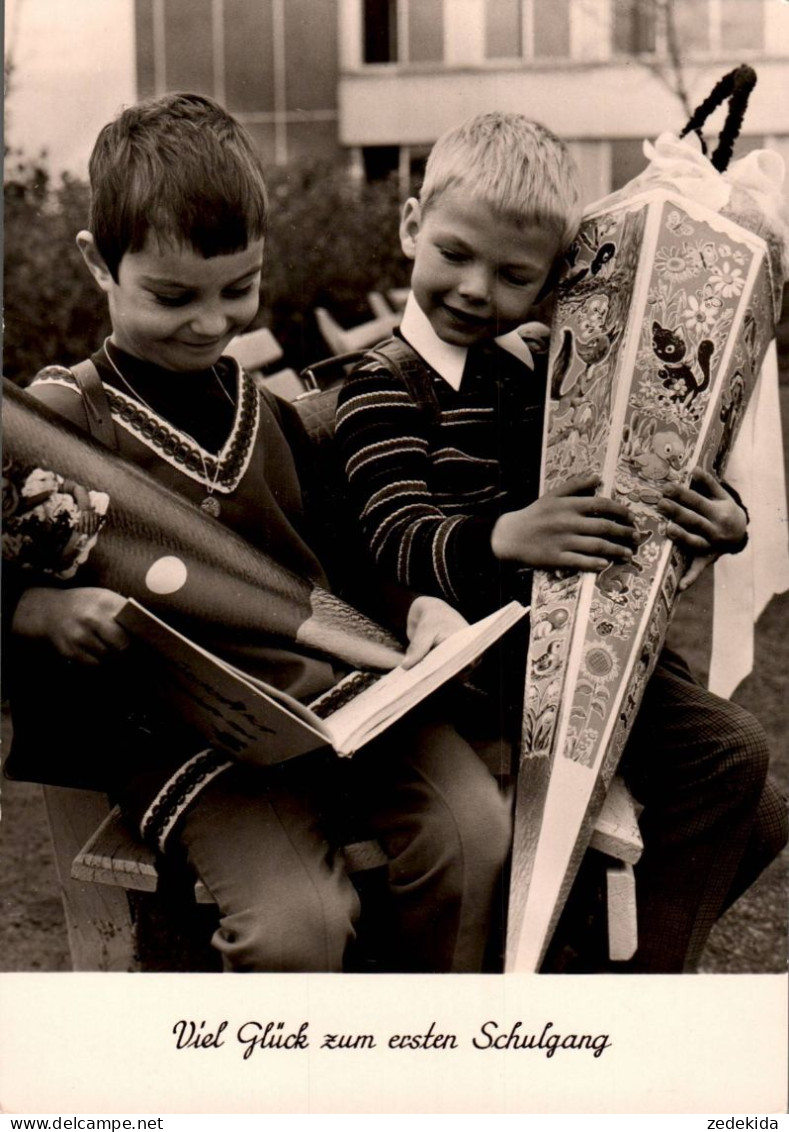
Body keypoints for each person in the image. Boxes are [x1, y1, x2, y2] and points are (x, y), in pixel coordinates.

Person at [5, 93, 513, 974]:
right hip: (183, 737)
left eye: (238, 289)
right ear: (99, 264)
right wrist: (36, 611)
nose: (211, 323)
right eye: (173, 296)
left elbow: (354, 559)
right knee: (296, 927)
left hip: (341, 703)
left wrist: (422, 605)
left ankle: (430, 1052)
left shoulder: (271, 414)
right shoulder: (55, 426)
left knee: (472, 834)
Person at [335, 112, 788, 972]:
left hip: (584, 651)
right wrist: (505, 535)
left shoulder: (543, 365)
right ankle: (627, 999)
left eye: (513, 276)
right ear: (409, 229)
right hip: (480, 671)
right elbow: (392, 537)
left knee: (761, 812)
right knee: (735, 755)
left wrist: (720, 521)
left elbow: (632, 473)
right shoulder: (379, 388)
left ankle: (592, 970)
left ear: (552, 282)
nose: (475, 289)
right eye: (455, 254)